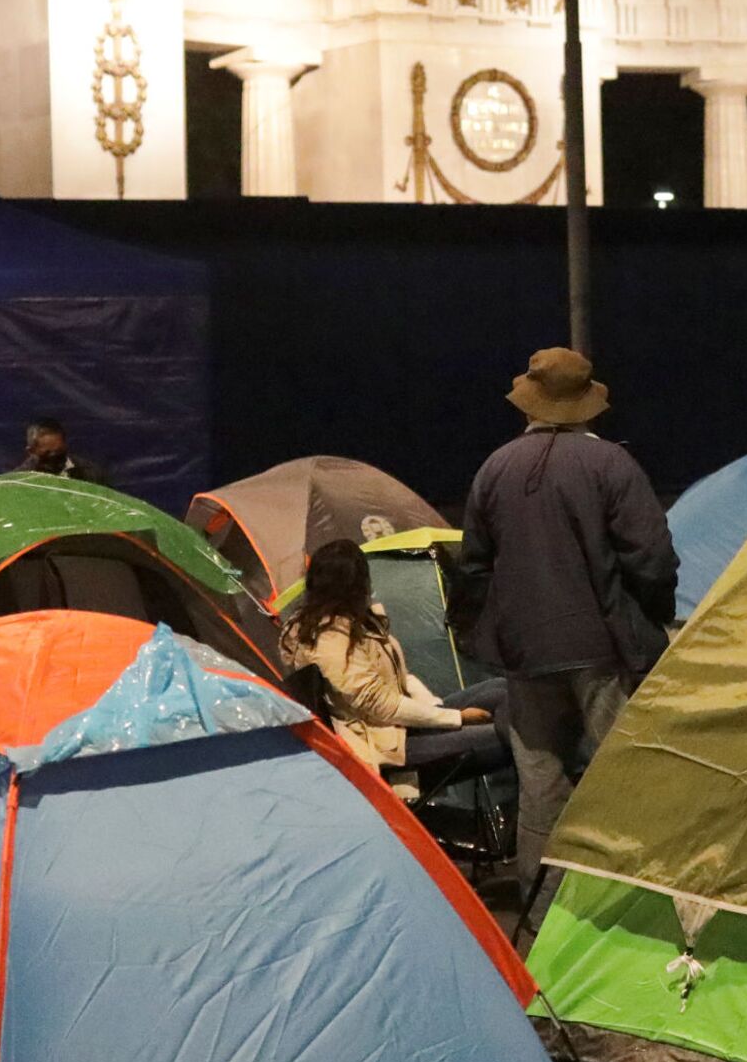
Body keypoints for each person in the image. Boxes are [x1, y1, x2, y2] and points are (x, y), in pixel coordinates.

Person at [454, 348, 677, 908]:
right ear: (586, 404)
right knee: (625, 778)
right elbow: (652, 558)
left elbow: (474, 568)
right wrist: (650, 619)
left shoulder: (494, 468)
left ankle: (543, 912)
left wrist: (485, 636)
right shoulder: (611, 465)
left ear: (530, 401)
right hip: (602, 648)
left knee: (540, 786)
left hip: (526, 653)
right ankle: (636, 904)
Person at [279, 538, 491, 798]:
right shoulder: (328, 638)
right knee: (500, 734)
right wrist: (456, 718)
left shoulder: (359, 621)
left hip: (402, 722)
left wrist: (434, 708)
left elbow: (402, 677)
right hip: (382, 742)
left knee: (498, 691)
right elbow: (379, 704)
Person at [18, 418, 107, 488]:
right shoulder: (19, 481)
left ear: (65, 444)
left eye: (58, 451)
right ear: (31, 451)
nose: (54, 456)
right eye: (47, 453)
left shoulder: (91, 473)